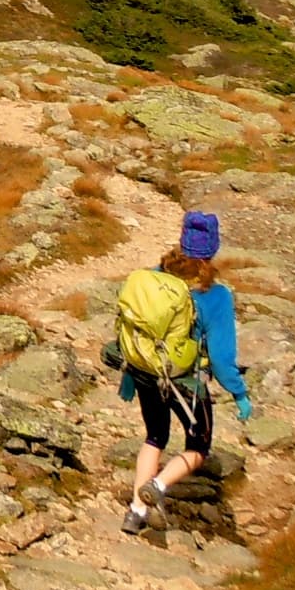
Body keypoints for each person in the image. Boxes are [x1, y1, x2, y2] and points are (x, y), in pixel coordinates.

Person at [118, 210, 253, 535]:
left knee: (155, 437)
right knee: (198, 447)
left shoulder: (153, 277)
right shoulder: (216, 295)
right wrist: (239, 393)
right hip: (186, 382)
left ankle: (135, 513)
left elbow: (133, 327)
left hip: (147, 371)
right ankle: (160, 486)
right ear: (212, 250)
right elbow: (221, 358)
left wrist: (128, 374)